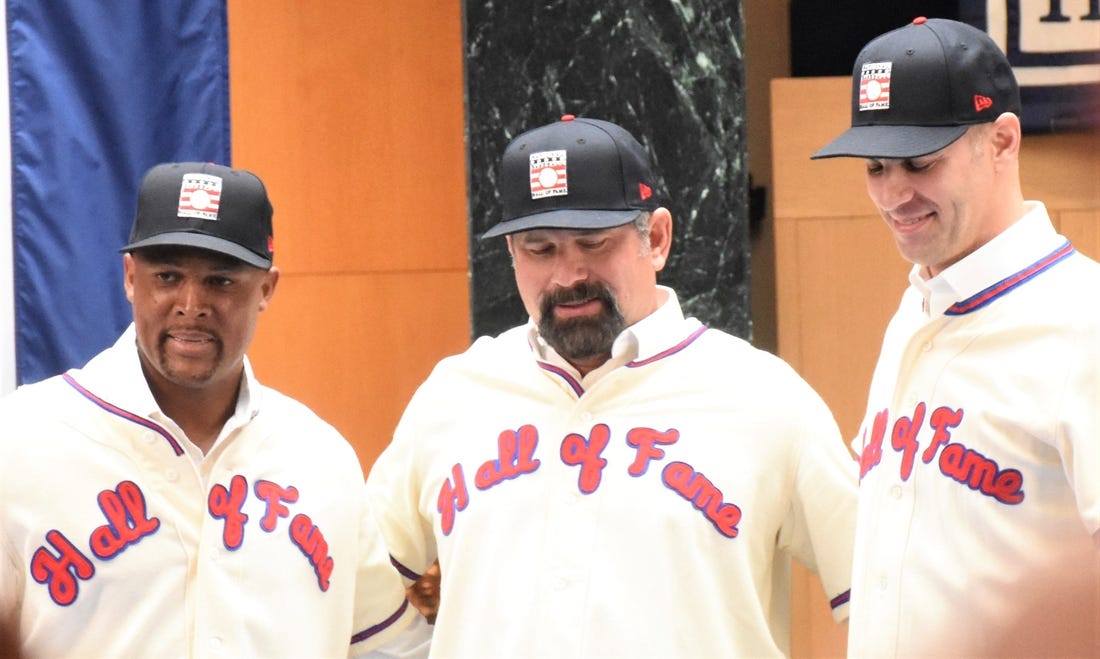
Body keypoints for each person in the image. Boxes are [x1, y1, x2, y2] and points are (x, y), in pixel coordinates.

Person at [365, 115, 858, 657]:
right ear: (511, 255)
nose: (569, 274)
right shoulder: (455, 394)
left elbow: (881, 591)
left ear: (658, 239)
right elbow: (357, 590)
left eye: (594, 242)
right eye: (539, 248)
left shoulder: (765, 398)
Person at [0, 162, 417, 657]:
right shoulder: (25, 438)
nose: (191, 303)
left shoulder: (321, 458)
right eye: (168, 275)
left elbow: (388, 647)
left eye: (221, 281)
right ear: (131, 278)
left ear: (266, 289)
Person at [811, 17, 1100, 658]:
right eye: (876, 166)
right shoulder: (916, 309)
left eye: (920, 161)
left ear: (1001, 141)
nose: (894, 194)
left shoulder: (1087, 323)